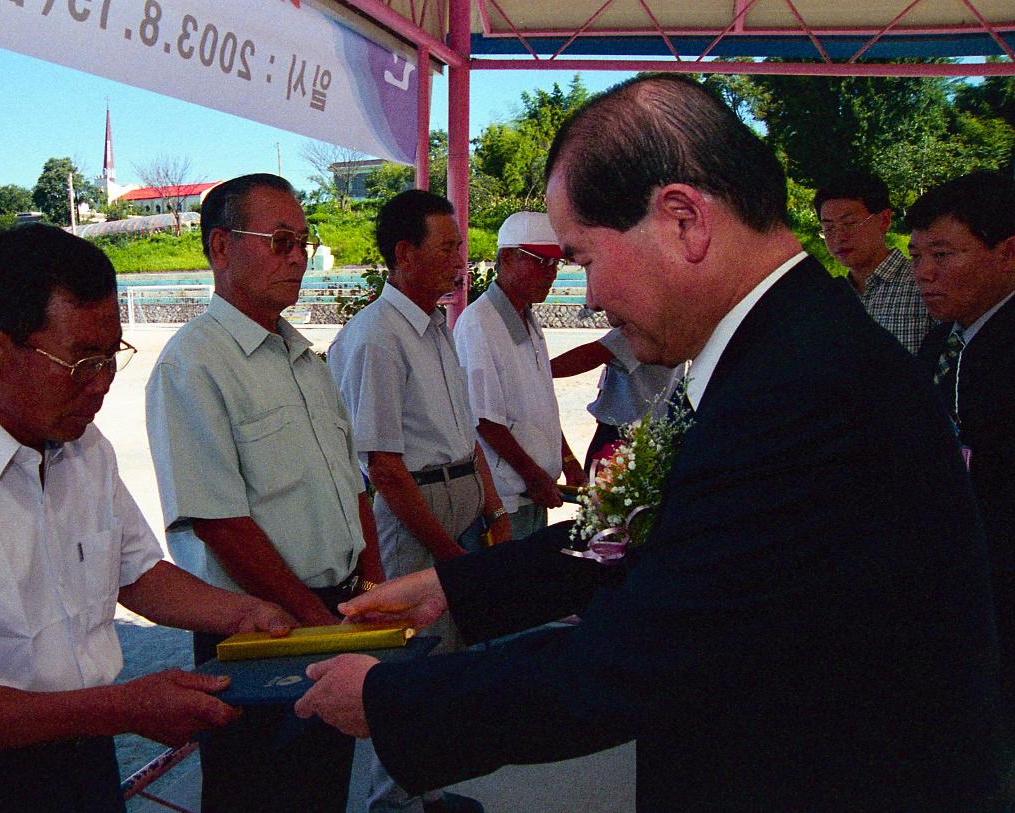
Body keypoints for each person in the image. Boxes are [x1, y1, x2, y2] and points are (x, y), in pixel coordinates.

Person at [295, 75, 1003, 812]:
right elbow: (631, 534)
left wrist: (392, 698)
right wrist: (454, 587)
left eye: (586, 258)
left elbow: (637, 653)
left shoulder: (802, 386)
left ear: (683, 221)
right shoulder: (780, 345)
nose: (591, 297)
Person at [0, 223, 297, 813]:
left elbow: (136, 572)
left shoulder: (82, 446)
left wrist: (247, 613)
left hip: (83, 761)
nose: (100, 384)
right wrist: (125, 706)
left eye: (111, 357)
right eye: (80, 362)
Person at [146, 174, 384, 813]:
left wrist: (371, 593)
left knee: (324, 785)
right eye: (280, 241)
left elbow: (349, 483)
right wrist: (312, 620)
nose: (299, 257)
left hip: (331, 612)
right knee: (260, 789)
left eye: (303, 241)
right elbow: (219, 522)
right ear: (220, 247)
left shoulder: (305, 357)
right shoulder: (194, 365)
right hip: (261, 627)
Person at [326, 189, 503, 813]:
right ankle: (390, 804)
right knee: (403, 664)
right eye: (449, 246)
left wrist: (492, 513)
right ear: (404, 254)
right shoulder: (377, 337)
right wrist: (449, 556)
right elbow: (383, 467)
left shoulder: (435, 325)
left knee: (440, 660)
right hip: (414, 520)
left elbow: (464, 432)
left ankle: (422, 791)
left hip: (453, 503)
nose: (463, 258)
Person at [908, 171, 1015, 738]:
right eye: (917, 255)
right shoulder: (942, 341)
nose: (924, 273)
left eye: (944, 254)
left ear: (1008, 253)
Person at [454, 210, 588, 540]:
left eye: (556, 264)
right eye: (542, 261)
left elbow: (541, 406)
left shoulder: (529, 321)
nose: (551, 273)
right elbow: (483, 420)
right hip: (503, 501)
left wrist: (567, 460)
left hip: (531, 493)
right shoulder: (479, 323)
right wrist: (534, 476)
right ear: (508, 258)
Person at [815, 171, 935, 353]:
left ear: (884, 220)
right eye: (829, 228)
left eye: (849, 224)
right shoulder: (832, 299)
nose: (839, 237)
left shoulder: (924, 284)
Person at [551, 327, 679, 463]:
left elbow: (591, 356)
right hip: (650, 425)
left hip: (629, 430)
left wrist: (537, 372)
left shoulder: (641, 324)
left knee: (604, 479)